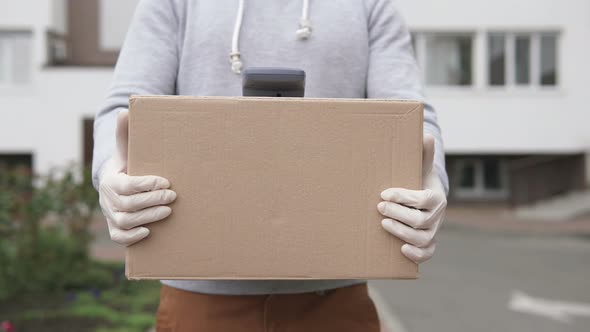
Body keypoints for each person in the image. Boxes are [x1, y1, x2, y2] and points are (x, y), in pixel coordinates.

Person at [93, 0, 449, 330]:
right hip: (200, 298)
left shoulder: (368, 4)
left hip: (335, 298)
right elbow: (125, 107)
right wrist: (112, 169)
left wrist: (429, 179)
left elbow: (412, 114)